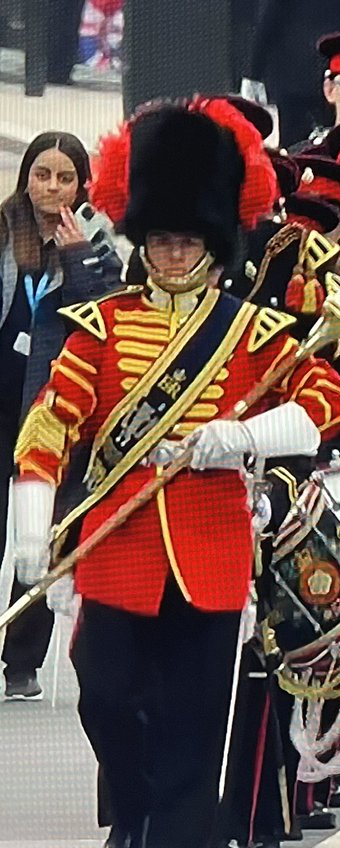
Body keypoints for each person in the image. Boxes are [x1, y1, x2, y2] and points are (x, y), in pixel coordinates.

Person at [10, 98, 340, 848]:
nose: (172, 254)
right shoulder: (101, 327)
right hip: (118, 547)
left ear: (212, 244)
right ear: (144, 239)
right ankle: (129, 814)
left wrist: (241, 437)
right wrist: (34, 522)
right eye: (161, 239)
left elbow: (328, 403)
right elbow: (50, 423)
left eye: (187, 241)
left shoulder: (251, 335)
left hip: (210, 542)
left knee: (200, 716)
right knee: (107, 695)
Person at [1, 131, 124, 701]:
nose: (51, 188)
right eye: (41, 175)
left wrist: (76, 258)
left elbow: (108, 313)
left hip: (53, 405)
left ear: (82, 184)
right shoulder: (4, 229)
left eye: (65, 177)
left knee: (41, 531)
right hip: (2, 393)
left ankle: (21, 658)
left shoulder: (97, 240)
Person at [246, 3, 340, 148]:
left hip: (302, 71)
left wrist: (253, 73)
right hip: (333, 67)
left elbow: (268, 21)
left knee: (296, 145)